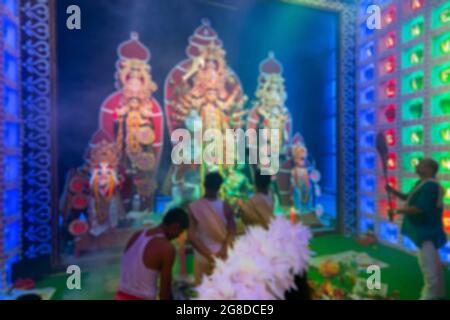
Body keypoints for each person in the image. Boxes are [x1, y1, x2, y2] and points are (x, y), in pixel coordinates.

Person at [386, 158, 447, 300]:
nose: (417, 165)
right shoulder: (422, 183)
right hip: (424, 231)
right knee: (433, 265)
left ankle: (429, 296)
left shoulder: (430, 186)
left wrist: (396, 211)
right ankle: (438, 293)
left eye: (421, 164)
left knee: (429, 269)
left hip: (426, 232)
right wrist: (392, 191)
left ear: (430, 169)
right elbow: (408, 197)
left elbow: (420, 209)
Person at [115, 208, 189, 300]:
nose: (178, 236)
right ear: (175, 226)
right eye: (180, 232)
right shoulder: (167, 248)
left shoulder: (137, 235)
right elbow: (164, 294)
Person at [188, 172, 236, 285]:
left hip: (202, 257)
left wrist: (209, 256)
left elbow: (191, 237)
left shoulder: (193, 207)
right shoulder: (226, 206)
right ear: (219, 187)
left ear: (204, 184)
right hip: (223, 256)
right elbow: (232, 232)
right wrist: (224, 250)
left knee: (204, 292)